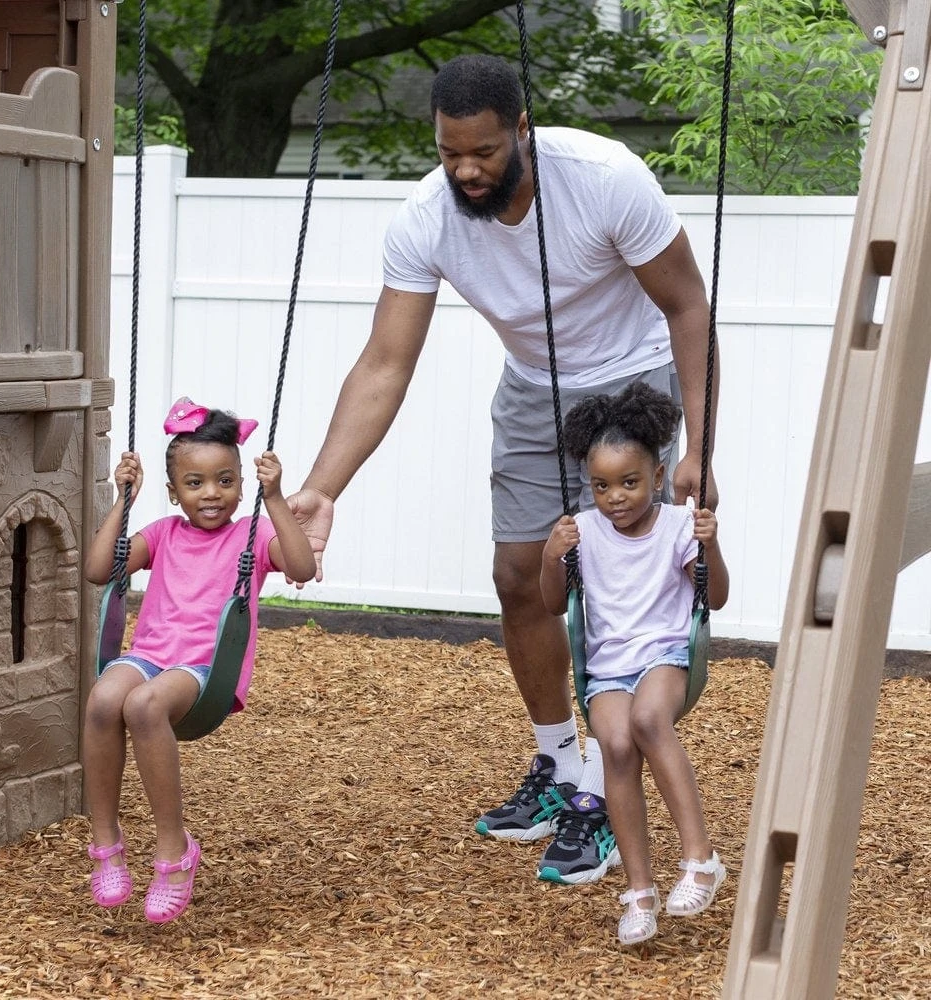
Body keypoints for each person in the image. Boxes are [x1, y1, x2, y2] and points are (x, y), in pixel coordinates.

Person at [286, 53, 719, 882]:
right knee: (521, 574)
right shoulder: (427, 215)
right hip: (531, 389)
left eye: (483, 151)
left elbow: (687, 305)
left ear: (522, 129)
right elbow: (385, 361)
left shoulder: (603, 177)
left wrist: (699, 444)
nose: (467, 170)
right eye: (451, 153)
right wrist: (321, 486)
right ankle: (557, 764)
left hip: (633, 383)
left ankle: (602, 790)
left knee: (615, 584)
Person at [82, 398, 315, 923]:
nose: (211, 493)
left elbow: (300, 565)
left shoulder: (251, 534)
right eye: (195, 483)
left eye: (226, 480)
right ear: (173, 491)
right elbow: (100, 570)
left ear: (240, 483)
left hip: (204, 671)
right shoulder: (162, 534)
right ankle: (106, 840)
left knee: (143, 707)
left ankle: (173, 849)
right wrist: (123, 499)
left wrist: (274, 497)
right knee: (102, 699)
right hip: (149, 655)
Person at [540, 382, 728, 944]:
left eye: (629, 482)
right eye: (601, 485)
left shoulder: (677, 524)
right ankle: (639, 895)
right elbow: (554, 604)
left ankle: (700, 858)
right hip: (608, 669)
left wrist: (709, 545)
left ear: (658, 472)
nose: (615, 497)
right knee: (616, 748)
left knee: (648, 722)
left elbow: (713, 597)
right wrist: (553, 555)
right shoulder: (583, 530)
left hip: (668, 655)